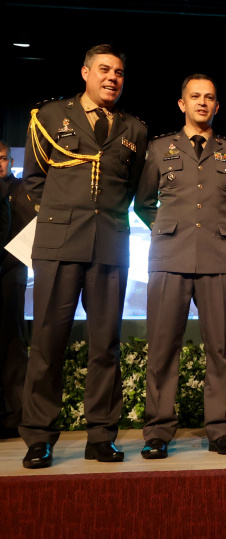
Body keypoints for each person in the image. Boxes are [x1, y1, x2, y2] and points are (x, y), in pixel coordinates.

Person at [20, 44, 148, 468]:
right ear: (85, 73)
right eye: (105, 70)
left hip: (110, 243)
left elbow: (126, 187)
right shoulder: (50, 116)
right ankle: (39, 438)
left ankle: (101, 435)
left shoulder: (134, 129)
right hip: (58, 245)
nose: (112, 78)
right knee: (47, 343)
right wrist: (63, 215)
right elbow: (36, 180)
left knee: (105, 345)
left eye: (119, 73)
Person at [134, 75, 226, 459]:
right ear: (181, 103)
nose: (202, 103)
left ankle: (220, 429)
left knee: (220, 348)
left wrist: (215, 233)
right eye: (195, 97)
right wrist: (170, 230)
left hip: (217, 258)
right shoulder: (159, 148)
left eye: (210, 98)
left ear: (217, 106)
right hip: (169, 256)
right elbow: (144, 202)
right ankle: (157, 431)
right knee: (163, 347)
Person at [0, 140, 24, 440]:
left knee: (12, 347)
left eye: (3, 157)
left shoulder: (22, 190)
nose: (0, 163)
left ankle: (16, 417)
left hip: (11, 273)